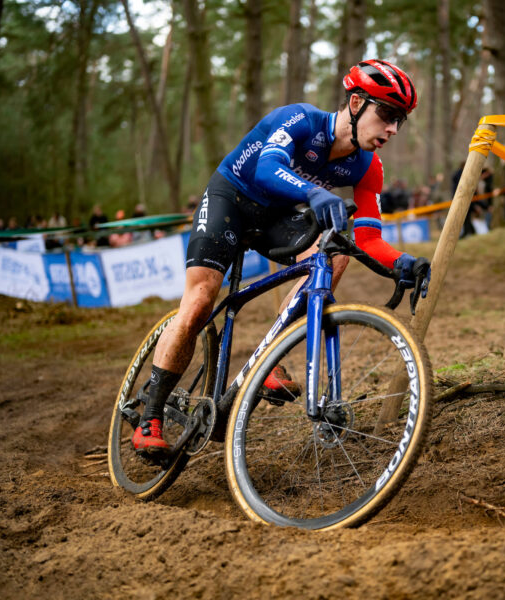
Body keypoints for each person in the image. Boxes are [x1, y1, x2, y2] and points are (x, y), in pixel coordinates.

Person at [132, 59, 432, 455]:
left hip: (275, 218)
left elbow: (370, 239)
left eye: (401, 121)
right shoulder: (301, 120)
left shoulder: (367, 166)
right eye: (388, 114)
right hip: (232, 198)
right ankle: (151, 411)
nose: (393, 128)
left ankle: (269, 356)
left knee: (338, 252)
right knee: (201, 300)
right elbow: (265, 169)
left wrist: (401, 263)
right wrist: (312, 192)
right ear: (356, 102)